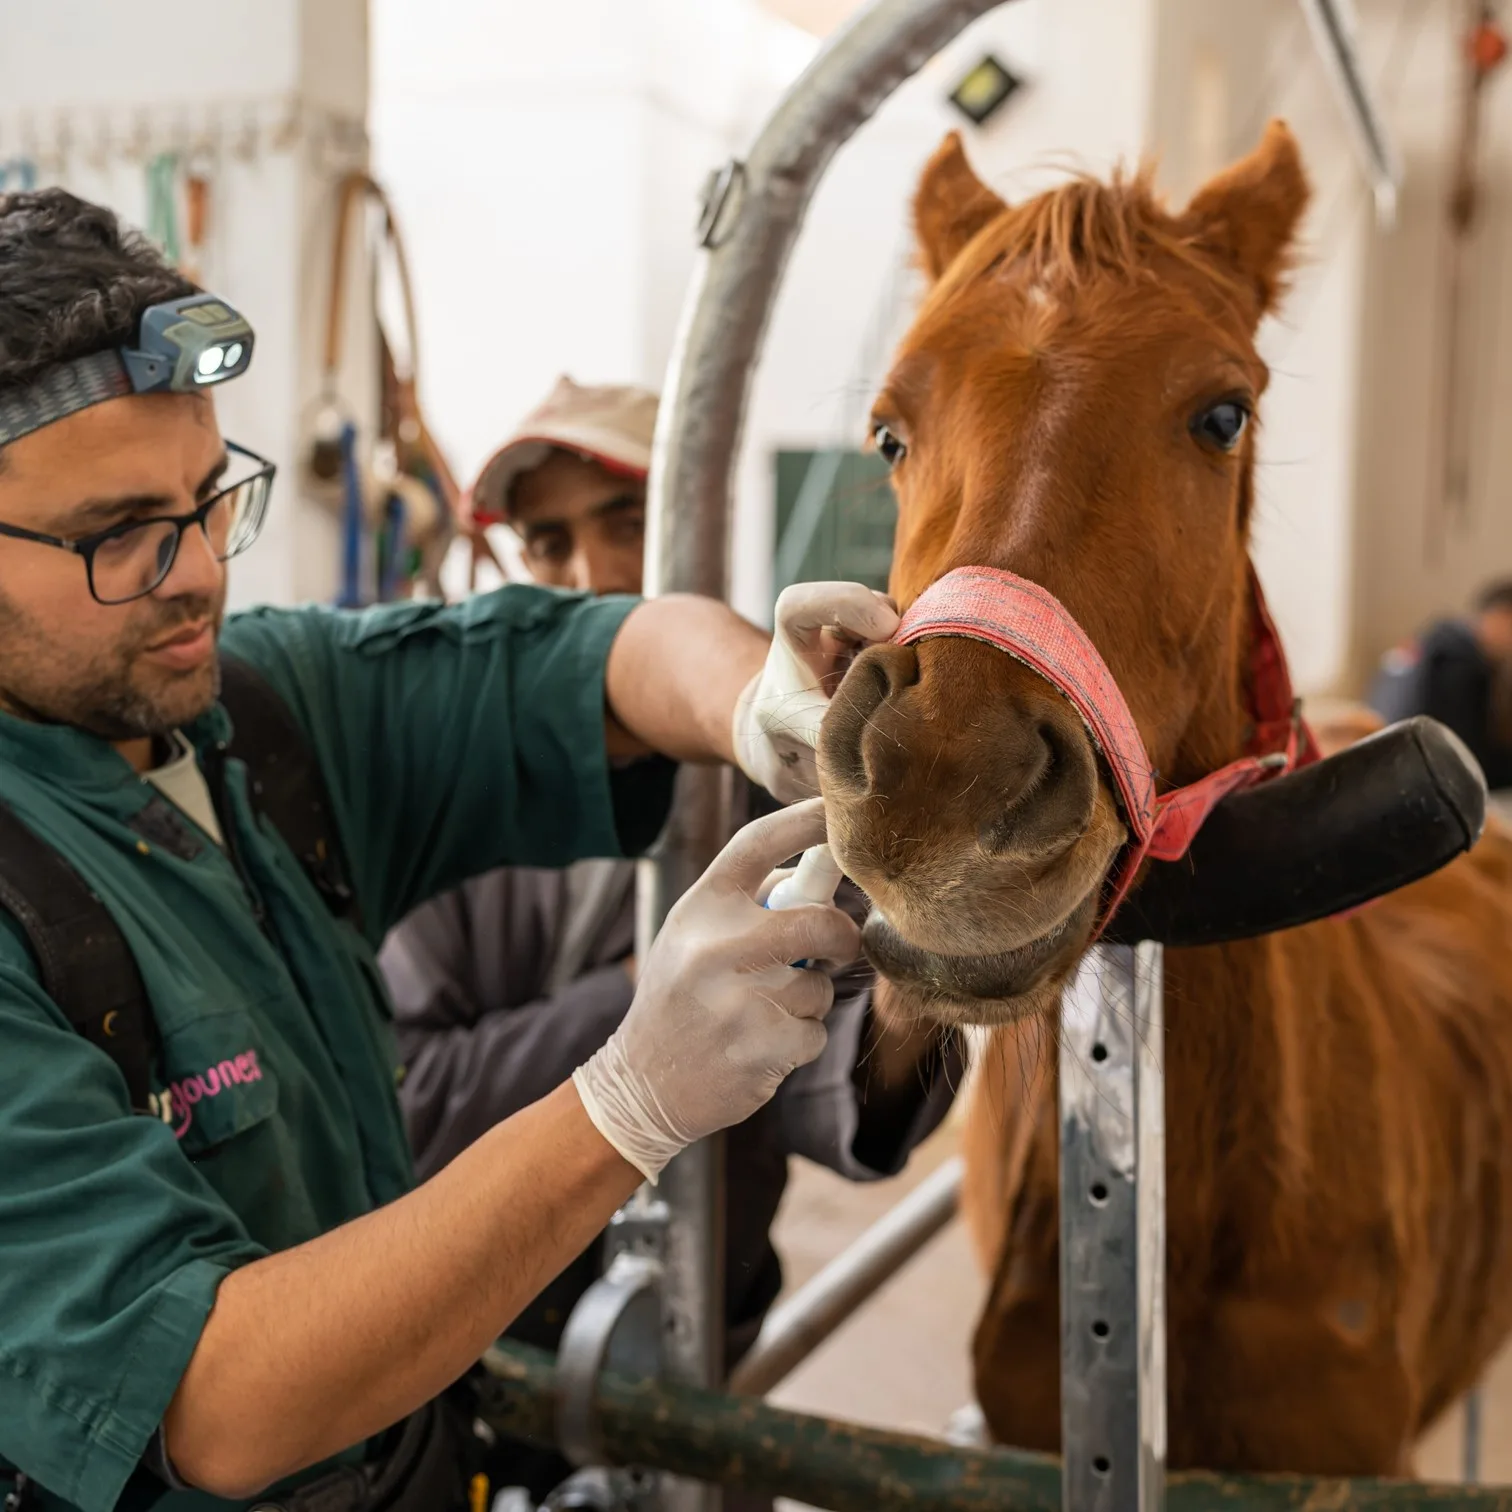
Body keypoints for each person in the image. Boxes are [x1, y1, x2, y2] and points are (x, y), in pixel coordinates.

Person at [0, 190, 902, 1512]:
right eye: (119, 535)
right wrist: (627, 1100)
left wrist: (754, 700)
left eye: (207, 499)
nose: (194, 571)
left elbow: (585, 654)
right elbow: (222, 1401)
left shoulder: (251, 712)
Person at [378, 380, 961, 1492]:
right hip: (468, 1358)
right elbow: (413, 1101)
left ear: (701, 534)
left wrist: (927, 917)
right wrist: (656, 1014)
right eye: (550, 541)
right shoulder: (455, 801)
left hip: (695, 1376)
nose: (592, 575)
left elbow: (846, 1092)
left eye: (629, 526)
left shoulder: (784, 792)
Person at [1368, 579, 1512, 789]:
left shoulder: (1431, 643)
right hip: (1419, 780)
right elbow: (1468, 761)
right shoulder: (1459, 663)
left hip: (1390, 769)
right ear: (1502, 616)